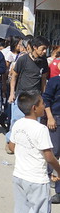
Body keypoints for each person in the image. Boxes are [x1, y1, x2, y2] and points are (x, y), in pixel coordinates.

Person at [9, 91, 60, 213]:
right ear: (34, 108)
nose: (44, 106)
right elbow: (49, 156)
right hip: (37, 180)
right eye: (42, 103)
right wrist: (58, 171)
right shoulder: (41, 129)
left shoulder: (18, 124)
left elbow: (11, 147)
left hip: (19, 176)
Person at [7, 36, 50, 145]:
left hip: (36, 97)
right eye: (43, 48)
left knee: (35, 123)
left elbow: (43, 79)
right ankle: (11, 143)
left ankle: (30, 144)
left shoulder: (43, 61)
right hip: (21, 96)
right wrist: (12, 93)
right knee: (17, 121)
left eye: (46, 49)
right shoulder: (23, 59)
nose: (45, 51)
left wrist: (43, 96)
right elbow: (14, 76)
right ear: (35, 47)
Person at [43, 74, 60, 204]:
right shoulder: (55, 81)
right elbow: (46, 100)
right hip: (56, 120)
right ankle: (46, 179)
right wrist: (50, 117)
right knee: (53, 153)